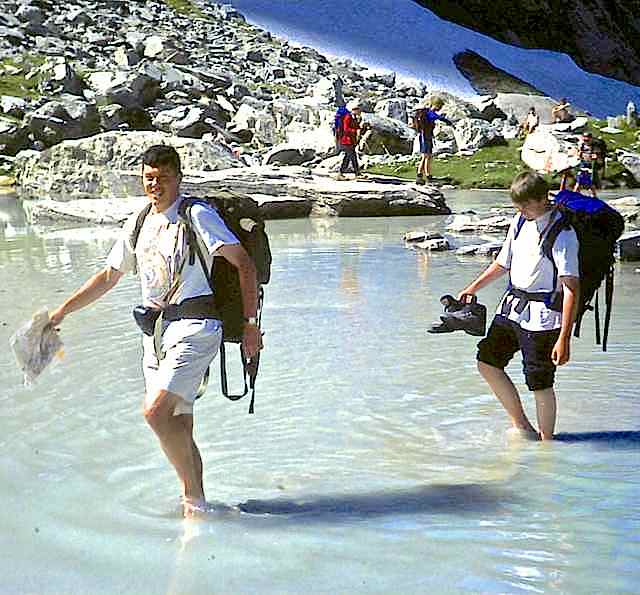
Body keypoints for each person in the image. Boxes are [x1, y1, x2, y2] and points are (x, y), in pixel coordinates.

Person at [49, 145, 262, 516]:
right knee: (178, 423)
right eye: (149, 177)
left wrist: (249, 325)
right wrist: (62, 311)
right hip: (155, 335)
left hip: (196, 326)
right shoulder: (140, 220)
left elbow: (243, 263)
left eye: (163, 178)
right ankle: (196, 508)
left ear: (178, 177)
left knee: (155, 413)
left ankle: (194, 504)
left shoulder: (196, 215)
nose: (155, 185)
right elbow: (109, 276)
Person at [458, 172, 580, 441]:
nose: (521, 210)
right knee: (487, 361)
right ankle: (522, 426)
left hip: (543, 319)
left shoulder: (563, 233)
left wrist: (564, 339)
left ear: (542, 199)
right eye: (518, 205)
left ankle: (548, 445)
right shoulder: (520, 221)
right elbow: (503, 263)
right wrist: (473, 288)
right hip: (512, 309)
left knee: (539, 382)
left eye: (526, 205)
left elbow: (572, 288)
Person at [411, 96, 453, 185]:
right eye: (440, 106)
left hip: (425, 136)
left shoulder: (427, 112)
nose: (440, 108)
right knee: (426, 156)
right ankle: (425, 176)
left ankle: (423, 175)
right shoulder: (430, 113)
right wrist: (446, 121)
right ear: (436, 105)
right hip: (426, 136)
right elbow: (436, 117)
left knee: (426, 156)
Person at [336, 100, 362, 180]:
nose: (359, 111)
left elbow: (356, 127)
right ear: (353, 110)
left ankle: (341, 174)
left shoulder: (354, 118)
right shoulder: (348, 117)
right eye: (357, 109)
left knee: (347, 157)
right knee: (353, 157)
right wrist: (355, 131)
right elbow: (346, 129)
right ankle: (357, 173)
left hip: (350, 141)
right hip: (347, 140)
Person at [573, 132, 598, 197]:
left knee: (590, 184)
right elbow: (577, 155)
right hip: (582, 166)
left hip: (589, 167)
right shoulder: (581, 146)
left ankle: (594, 197)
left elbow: (595, 156)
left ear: (591, 139)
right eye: (585, 139)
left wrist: (593, 156)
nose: (586, 141)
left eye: (588, 139)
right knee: (578, 182)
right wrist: (580, 154)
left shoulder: (593, 147)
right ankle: (574, 196)